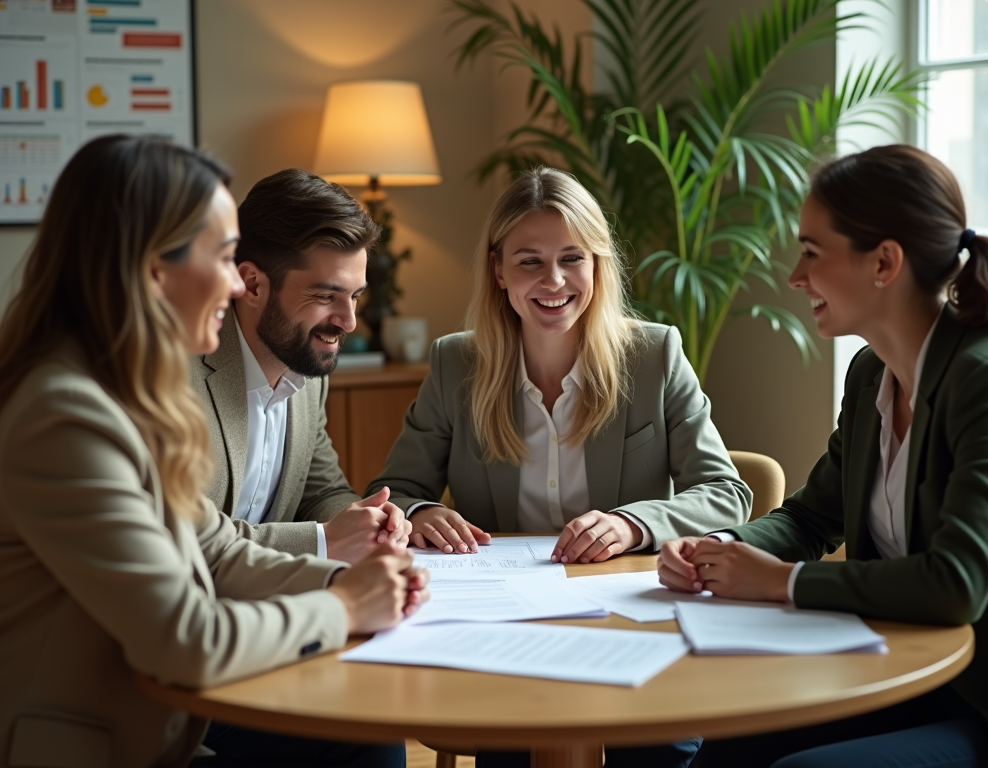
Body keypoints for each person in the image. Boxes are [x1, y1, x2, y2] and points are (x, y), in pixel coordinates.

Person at [0, 134, 427, 768]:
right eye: (226, 258)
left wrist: (357, 580)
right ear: (154, 272)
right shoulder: (66, 413)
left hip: (159, 713)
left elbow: (212, 544)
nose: (236, 285)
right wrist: (343, 604)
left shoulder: (122, 387)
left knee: (366, 732)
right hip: (94, 739)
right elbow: (186, 640)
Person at [369, 166, 751, 768]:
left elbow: (727, 492)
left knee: (662, 750)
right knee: (513, 747)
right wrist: (421, 511)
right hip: (504, 628)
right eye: (529, 261)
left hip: (632, 622)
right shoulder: (456, 363)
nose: (553, 281)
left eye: (572, 258)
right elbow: (394, 491)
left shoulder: (654, 355)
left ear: (597, 267)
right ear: (498, 270)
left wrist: (632, 525)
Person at [658, 144, 988, 768]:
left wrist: (782, 582)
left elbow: (956, 583)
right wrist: (718, 549)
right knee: (727, 742)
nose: (795, 278)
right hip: (904, 670)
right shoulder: (869, 374)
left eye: (811, 252)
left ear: (884, 261)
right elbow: (809, 518)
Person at [189, 168, 411, 565]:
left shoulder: (305, 370)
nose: (349, 321)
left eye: (355, 296)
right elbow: (187, 537)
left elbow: (322, 492)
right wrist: (323, 541)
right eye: (327, 295)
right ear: (252, 284)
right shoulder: (177, 376)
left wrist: (368, 523)